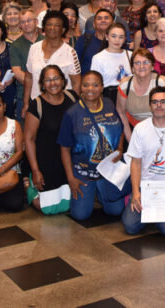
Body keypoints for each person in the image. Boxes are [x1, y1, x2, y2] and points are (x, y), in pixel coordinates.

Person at [59, 71, 128, 222]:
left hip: (108, 172)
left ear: (102, 87)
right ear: (81, 88)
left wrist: (120, 148)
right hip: (84, 174)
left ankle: (101, 191)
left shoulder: (109, 104)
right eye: (86, 85)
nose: (90, 88)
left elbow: (121, 129)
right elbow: (64, 148)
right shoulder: (72, 113)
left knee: (116, 211)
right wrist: (71, 178)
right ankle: (93, 191)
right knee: (80, 215)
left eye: (95, 85)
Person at [122, 86, 165, 236]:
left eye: (163, 102)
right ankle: (152, 211)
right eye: (155, 102)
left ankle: (162, 212)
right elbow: (135, 162)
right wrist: (136, 192)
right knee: (130, 227)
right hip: (145, 187)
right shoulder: (140, 128)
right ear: (150, 106)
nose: (159, 105)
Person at [24, 65, 77, 213]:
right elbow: (29, 140)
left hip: (69, 161)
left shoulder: (72, 98)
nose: (52, 83)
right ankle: (29, 185)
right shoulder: (37, 105)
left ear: (63, 80)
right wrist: (35, 170)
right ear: (41, 84)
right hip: (47, 163)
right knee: (48, 209)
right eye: (47, 80)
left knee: (71, 205)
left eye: (56, 79)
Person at [116, 48, 165, 140]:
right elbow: (121, 112)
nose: (141, 66)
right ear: (132, 68)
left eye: (146, 62)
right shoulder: (125, 85)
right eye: (137, 63)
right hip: (133, 128)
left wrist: (164, 137)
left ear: (153, 66)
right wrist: (131, 140)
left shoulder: (162, 82)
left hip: (160, 128)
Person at [25, 11, 82, 102]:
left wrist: (74, 105)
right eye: (49, 24)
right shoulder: (34, 48)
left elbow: (76, 82)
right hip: (36, 101)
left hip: (62, 103)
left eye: (57, 25)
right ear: (44, 27)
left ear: (63, 30)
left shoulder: (70, 52)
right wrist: (25, 103)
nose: (52, 28)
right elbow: (28, 77)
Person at [90, 22, 132, 102]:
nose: (117, 40)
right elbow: (95, 83)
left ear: (124, 39)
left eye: (121, 37)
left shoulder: (131, 55)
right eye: (113, 36)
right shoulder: (98, 58)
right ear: (106, 37)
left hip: (129, 97)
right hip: (108, 98)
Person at [10, 9, 41, 119]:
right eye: (23, 22)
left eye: (29, 20)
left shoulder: (47, 41)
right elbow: (17, 72)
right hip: (24, 95)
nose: (26, 24)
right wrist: (39, 85)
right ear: (19, 26)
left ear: (36, 22)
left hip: (48, 94)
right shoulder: (15, 46)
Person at [76, 8, 111, 73]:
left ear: (113, 23)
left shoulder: (118, 42)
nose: (103, 20)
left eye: (106, 18)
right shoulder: (83, 40)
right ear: (94, 25)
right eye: (99, 18)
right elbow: (75, 66)